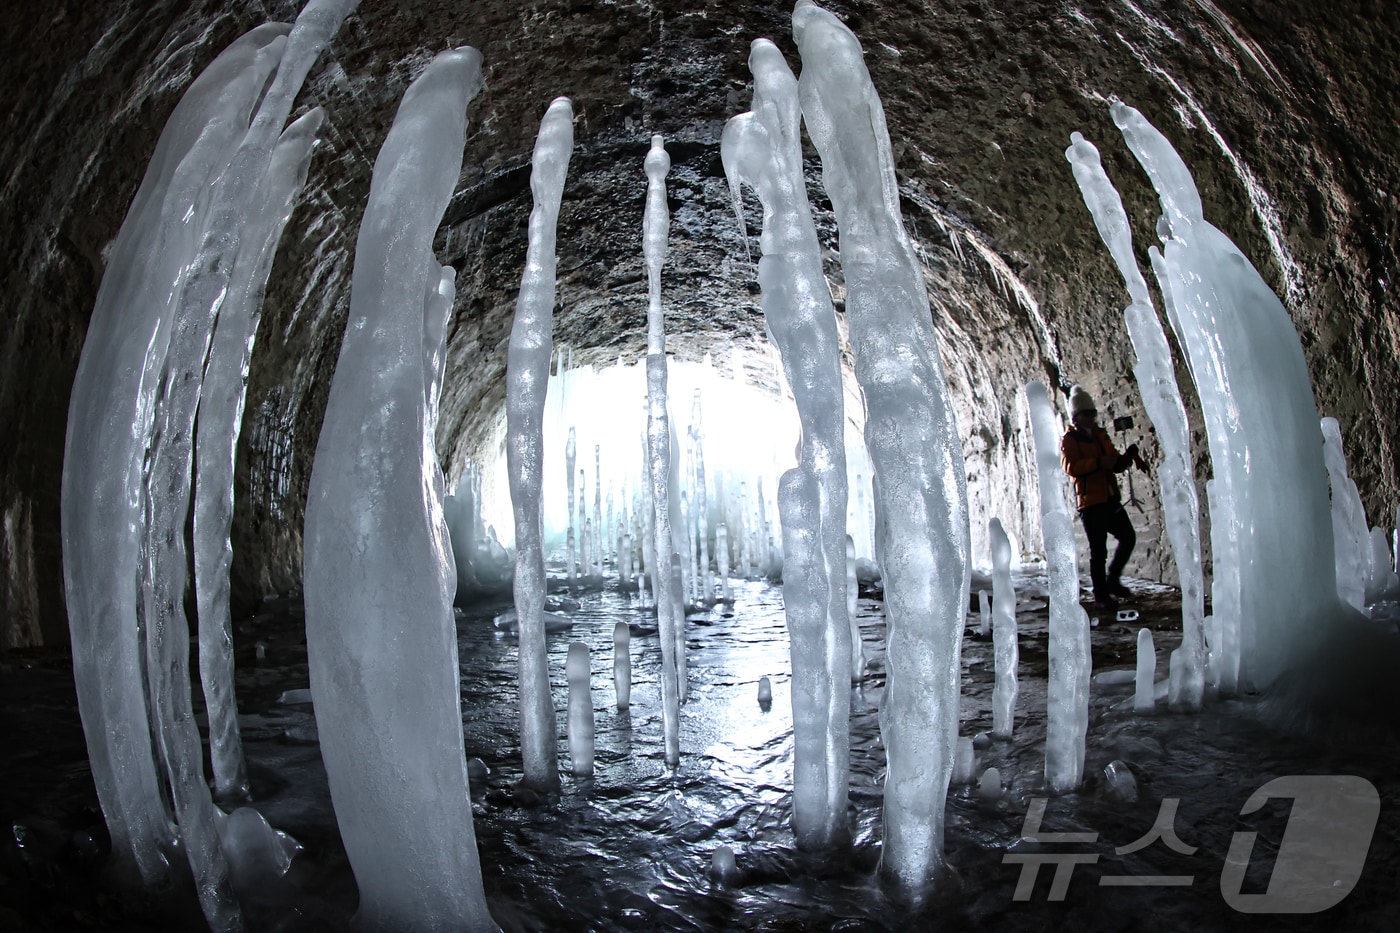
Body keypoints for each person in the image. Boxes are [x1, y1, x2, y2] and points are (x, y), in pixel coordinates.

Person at [1060, 386, 1147, 610]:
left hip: (1109, 498)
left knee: (1128, 537)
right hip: (1090, 503)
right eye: (1086, 414)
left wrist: (1128, 457)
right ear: (1076, 417)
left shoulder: (1101, 436)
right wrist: (1098, 463)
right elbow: (1071, 467)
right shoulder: (1070, 439)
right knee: (1099, 551)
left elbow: (1115, 462)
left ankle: (1112, 580)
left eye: (1092, 413)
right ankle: (1101, 596)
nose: (1090, 418)